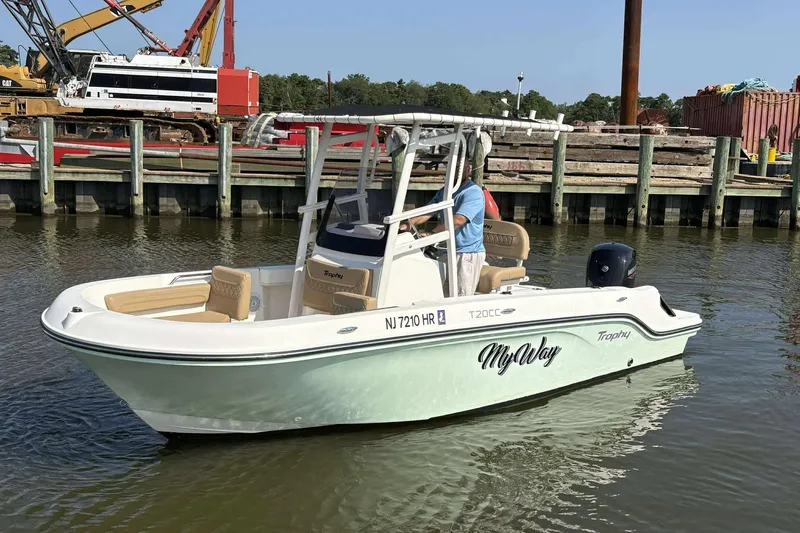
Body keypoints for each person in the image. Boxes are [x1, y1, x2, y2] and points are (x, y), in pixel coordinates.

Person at [400, 157, 486, 297]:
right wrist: (407, 224)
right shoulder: (445, 191)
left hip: (466, 254)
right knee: (440, 294)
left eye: (458, 168)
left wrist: (430, 234)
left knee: (459, 298)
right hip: (448, 250)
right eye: (452, 168)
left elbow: (458, 220)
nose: (455, 172)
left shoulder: (473, 192)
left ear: (468, 170)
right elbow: (428, 211)